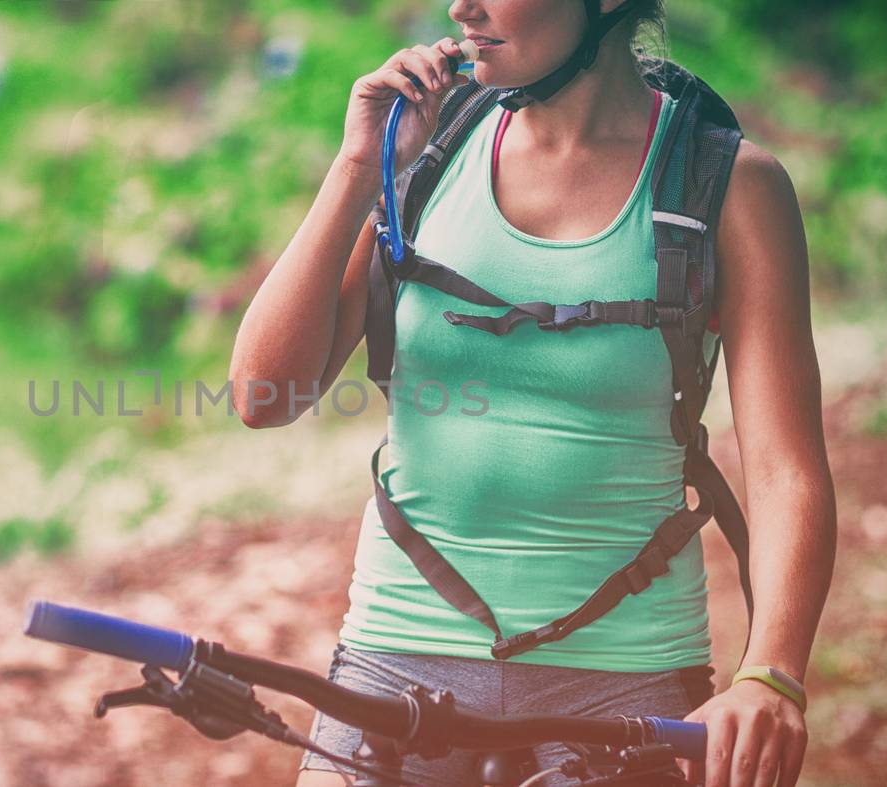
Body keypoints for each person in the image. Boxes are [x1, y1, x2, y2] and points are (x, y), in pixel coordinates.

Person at [228, 1, 837, 786]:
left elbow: (787, 467)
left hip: (626, 682)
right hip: (394, 665)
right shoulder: (422, 159)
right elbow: (263, 396)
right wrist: (356, 169)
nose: (461, 6)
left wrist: (772, 674)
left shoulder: (728, 186)